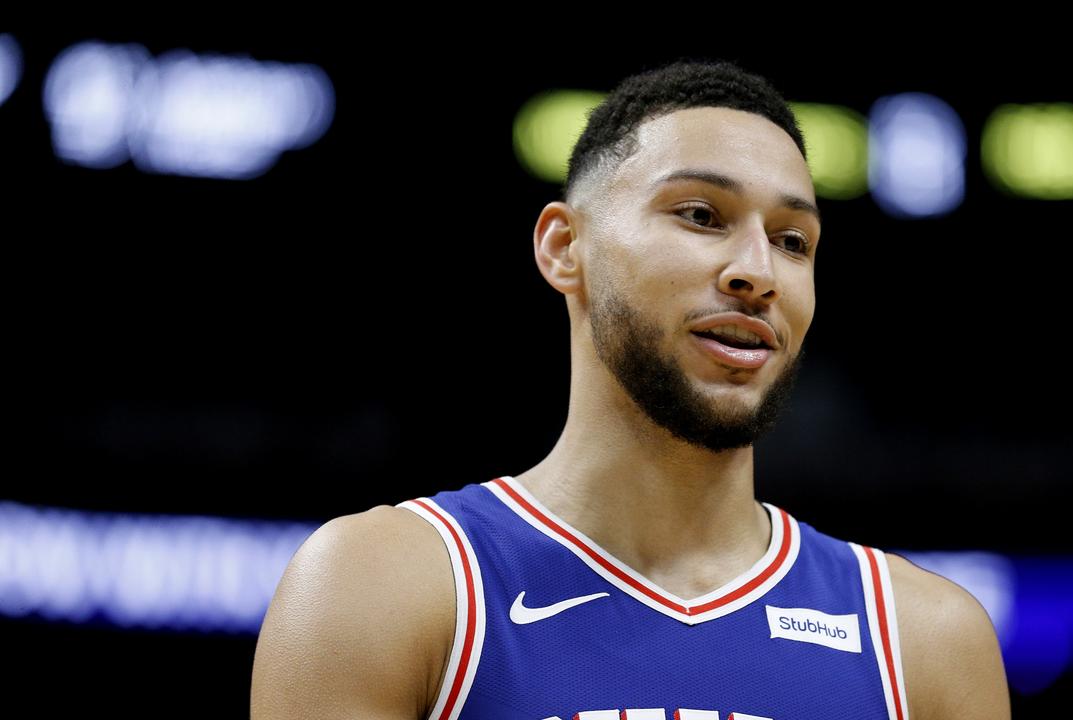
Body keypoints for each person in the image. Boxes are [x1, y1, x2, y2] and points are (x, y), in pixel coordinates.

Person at [250, 58, 1010, 720]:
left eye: (792, 241)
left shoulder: (926, 640)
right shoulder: (386, 585)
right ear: (564, 247)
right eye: (701, 215)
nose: (758, 272)